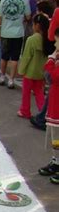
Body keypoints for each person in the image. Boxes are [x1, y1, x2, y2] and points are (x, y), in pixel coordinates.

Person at [0, 0, 31, 89]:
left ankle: (2, 76)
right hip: (18, 33)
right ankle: (11, 79)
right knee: (15, 58)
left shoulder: (4, 0)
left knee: (4, 56)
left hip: (5, 32)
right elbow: (28, 16)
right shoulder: (24, 1)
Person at [17, 14, 51, 118]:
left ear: (36, 25)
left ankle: (25, 110)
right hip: (40, 71)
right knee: (39, 92)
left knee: (26, 92)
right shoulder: (48, 40)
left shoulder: (31, 39)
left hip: (30, 71)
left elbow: (26, 57)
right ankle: (43, 111)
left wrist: (21, 70)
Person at [39, 27, 59, 184]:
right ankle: (56, 161)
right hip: (54, 102)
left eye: (57, 41)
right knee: (55, 135)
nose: (56, 44)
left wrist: (51, 60)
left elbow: (52, 76)